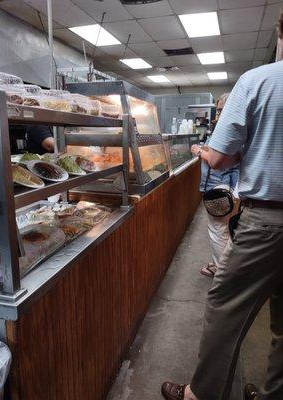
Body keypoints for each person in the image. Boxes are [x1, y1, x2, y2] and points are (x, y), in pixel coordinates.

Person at [161, 11, 283, 400]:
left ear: (281, 32)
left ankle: (201, 394)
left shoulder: (259, 80)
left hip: (268, 219)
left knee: (224, 303)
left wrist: (204, 149)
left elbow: (218, 158)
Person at [191, 93, 239, 278]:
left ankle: (221, 271)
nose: (218, 114)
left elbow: (216, 160)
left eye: (221, 109)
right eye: (217, 109)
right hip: (226, 187)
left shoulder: (228, 129)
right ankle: (221, 264)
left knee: (218, 231)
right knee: (224, 229)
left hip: (220, 187)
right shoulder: (230, 128)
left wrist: (198, 151)